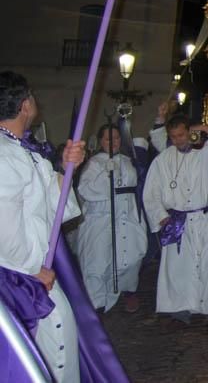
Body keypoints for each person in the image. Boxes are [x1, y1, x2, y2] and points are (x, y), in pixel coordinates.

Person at [0, 71, 128, 382]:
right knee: (45, 358)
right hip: (20, 282)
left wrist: (68, 166)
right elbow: (4, 227)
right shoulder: (5, 157)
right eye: (32, 96)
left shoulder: (19, 151)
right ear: (25, 106)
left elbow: (51, 206)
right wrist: (29, 272)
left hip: (29, 275)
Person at [143, 106, 208, 322]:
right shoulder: (163, 159)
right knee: (180, 266)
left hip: (205, 217)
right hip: (178, 220)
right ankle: (181, 305)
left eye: (181, 135)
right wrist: (160, 215)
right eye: (173, 137)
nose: (178, 141)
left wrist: (203, 127)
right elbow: (151, 191)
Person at [76, 122, 148, 313]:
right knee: (98, 262)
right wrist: (105, 174)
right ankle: (96, 304)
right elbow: (86, 190)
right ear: (101, 141)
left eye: (116, 138)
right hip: (102, 219)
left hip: (127, 217)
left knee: (131, 257)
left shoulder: (126, 160)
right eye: (109, 139)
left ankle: (125, 291)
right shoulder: (94, 163)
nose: (113, 142)